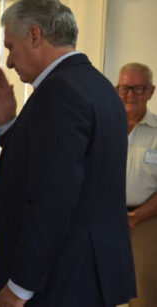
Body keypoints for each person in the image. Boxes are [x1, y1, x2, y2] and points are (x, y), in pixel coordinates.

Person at [0, 1, 136, 306]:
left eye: (11, 47)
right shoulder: (98, 86)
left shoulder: (59, 91)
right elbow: (68, 167)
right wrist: (8, 124)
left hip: (62, 279)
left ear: (35, 35)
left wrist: (20, 286)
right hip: (88, 275)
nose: (9, 62)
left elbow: (52, 197)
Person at [116, 63, 157, 307]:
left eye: (138, 88)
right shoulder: (101, 127)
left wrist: (136, 217)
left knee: (143, 297)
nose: (130, 95)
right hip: (104, 221)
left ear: (151, 91)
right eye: (124, 88)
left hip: (145, 223)